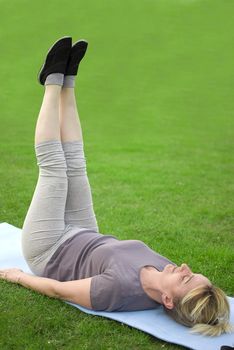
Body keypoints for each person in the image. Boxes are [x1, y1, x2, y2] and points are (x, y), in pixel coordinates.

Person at [0, 37, 232, 338]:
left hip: (50, 249)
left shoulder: (118, 292)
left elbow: (58, 290)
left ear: (167, 300)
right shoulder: (167, 272)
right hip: (86, 234)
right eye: (194, 274)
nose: (185, 267)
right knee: (77, 163)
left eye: (186, 279)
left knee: (55, 169)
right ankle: (68, 78)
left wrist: (18, 277)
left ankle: (51, 81)